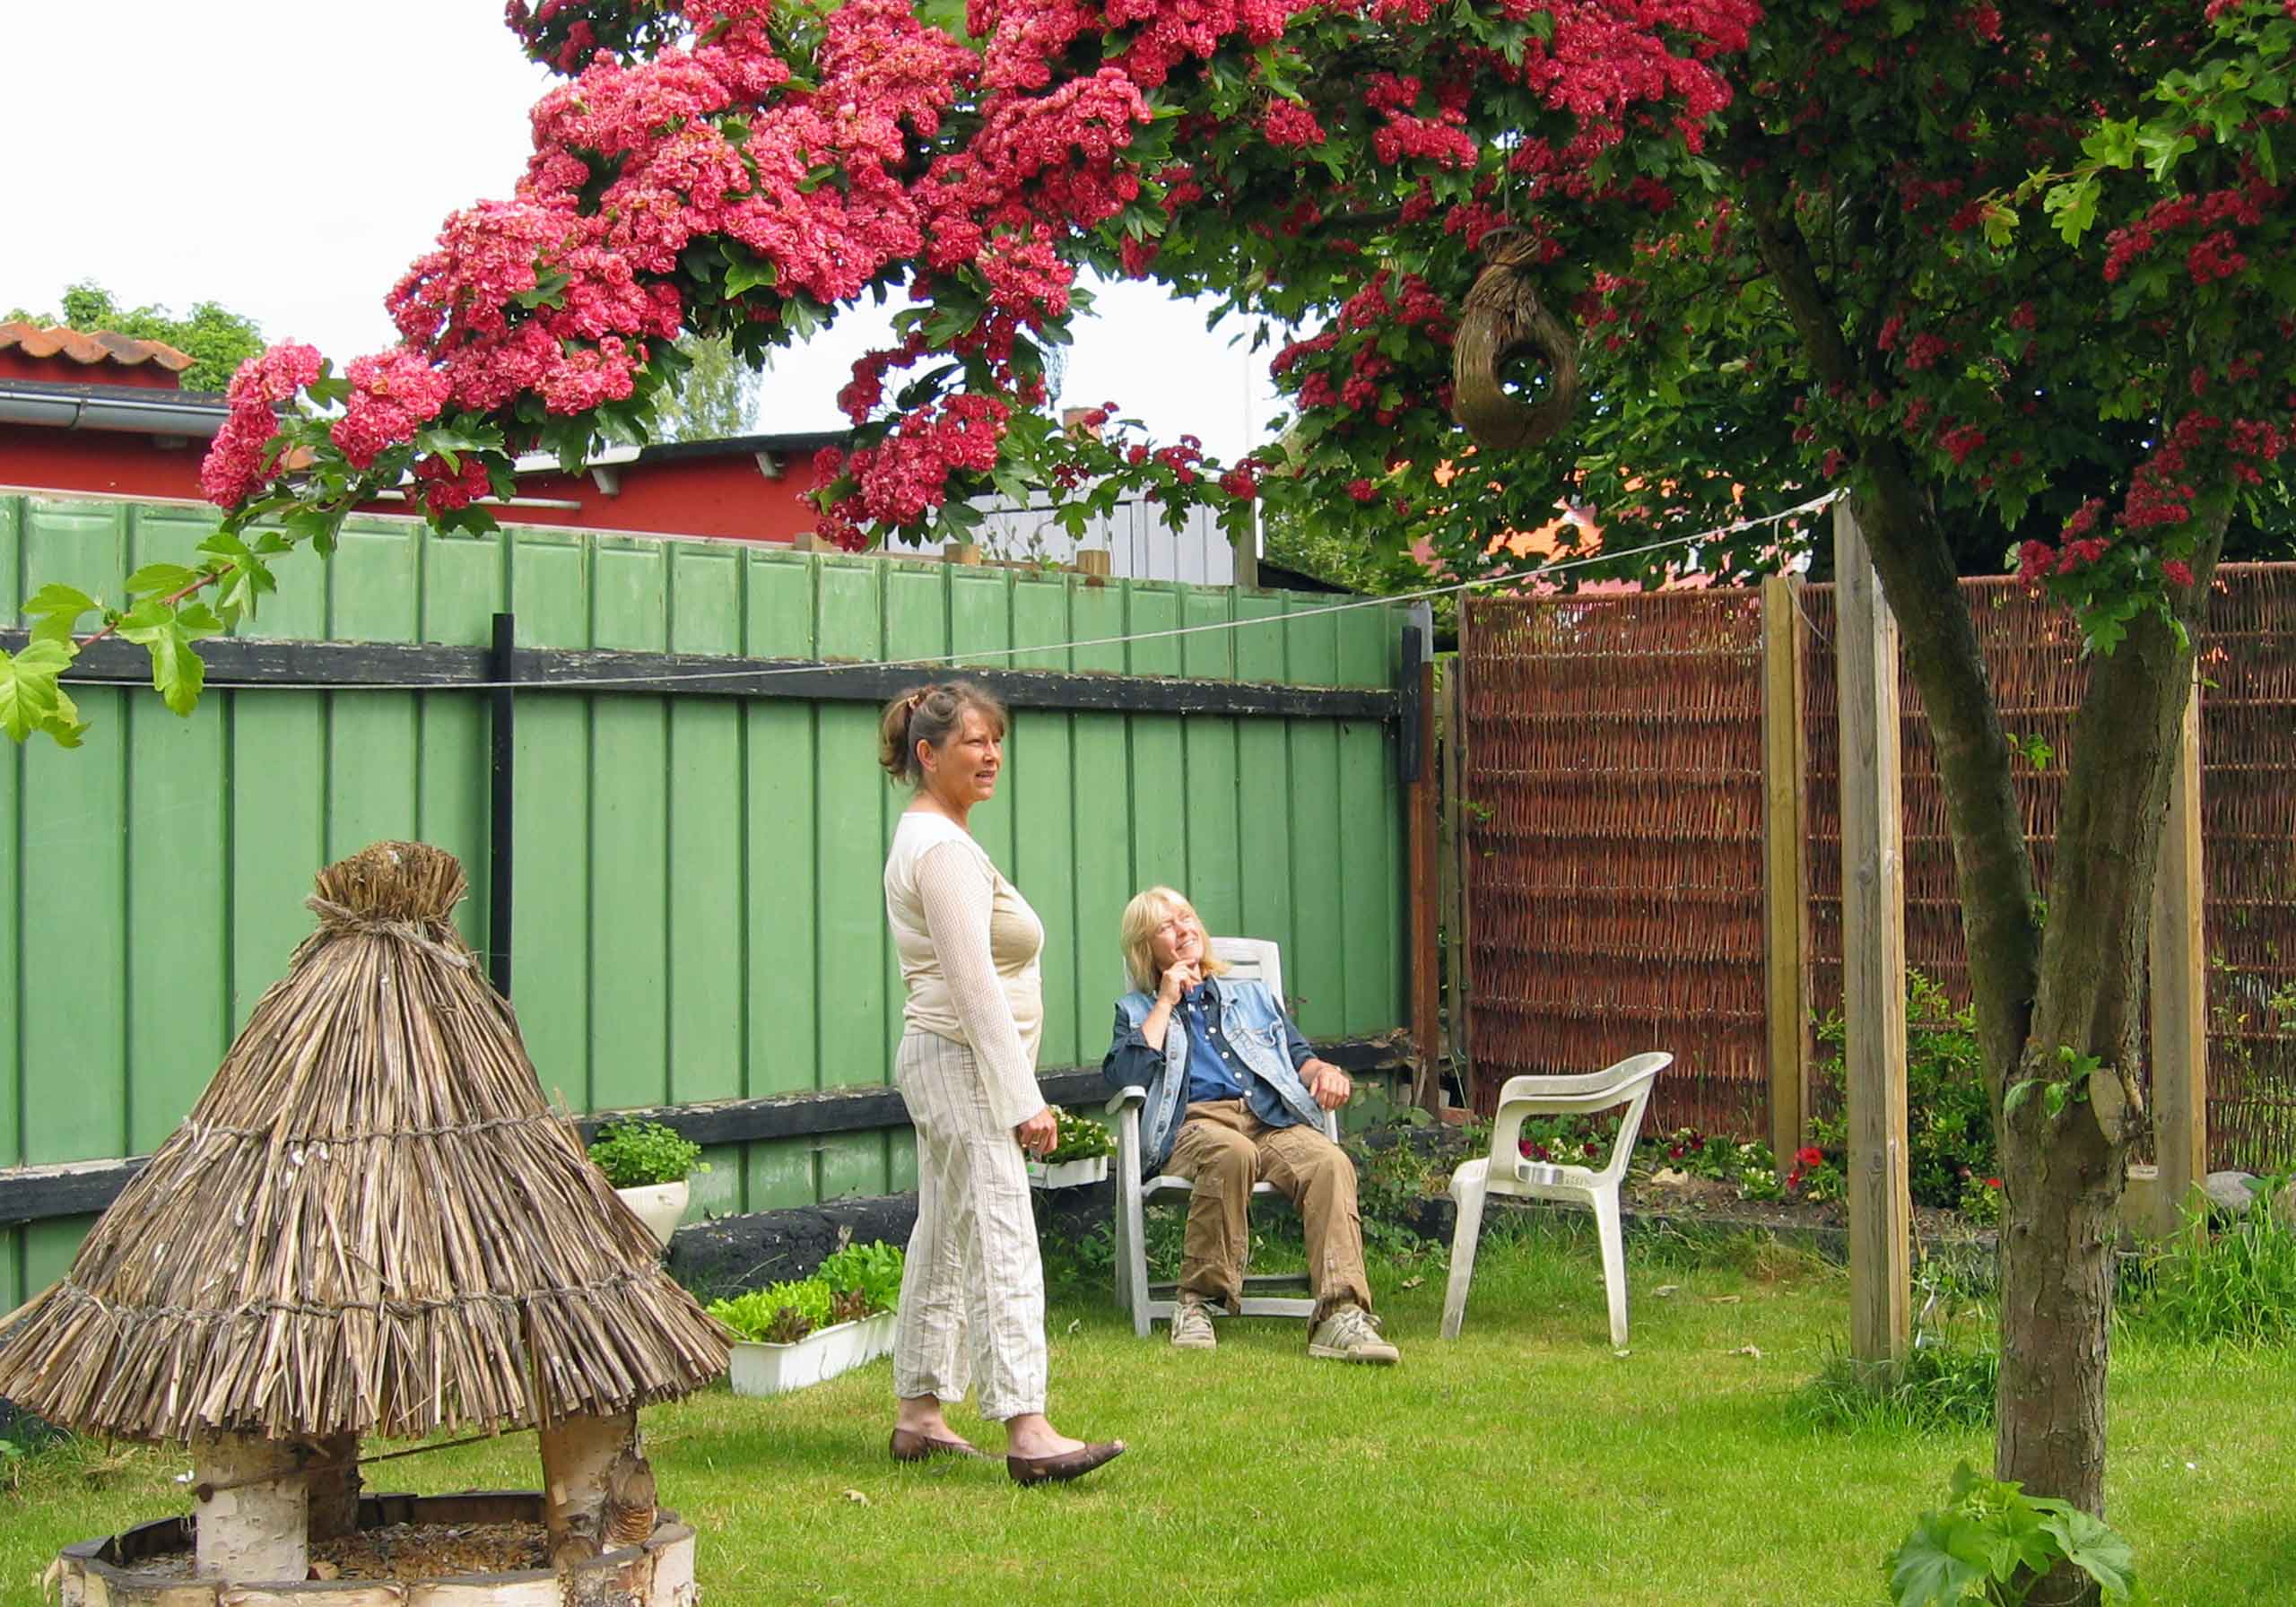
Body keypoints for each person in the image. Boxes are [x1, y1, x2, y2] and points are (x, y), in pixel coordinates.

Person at [878, 682, 1124, 1486]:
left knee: (947, 1229)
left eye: (996, 742)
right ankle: (1028, 1427)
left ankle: (919, 1411)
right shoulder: (941, 850)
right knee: (1001, 1230)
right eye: (974, 743)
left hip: (945, 1058)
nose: (991, 757)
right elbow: (973, 981)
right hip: (962, 1062)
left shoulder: (935, 836)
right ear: (928, 753)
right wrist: (1024, 1099)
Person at [1101, 887, 1399, 1364]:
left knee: (1328, 1161)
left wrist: (1323, 1072)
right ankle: (1196, 1302)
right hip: (1196, 1126)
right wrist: (1163, 1003)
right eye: (1166, 926)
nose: (1183, 930)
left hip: (1269, 1118)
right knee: (1232, 1153)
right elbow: (1124, 1079)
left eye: (1186, 917)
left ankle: (1340, 1315)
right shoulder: (1136, 1010)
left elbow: (1297, 1056)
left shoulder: (1253, 996)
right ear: (1146, 948)